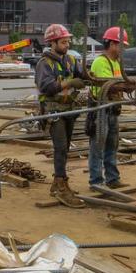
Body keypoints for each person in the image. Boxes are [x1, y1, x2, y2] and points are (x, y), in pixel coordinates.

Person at [35, 23, 87, 208]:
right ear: (53, 43)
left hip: (69, 110)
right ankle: (59, 185)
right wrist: (69, 82)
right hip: (53, 111)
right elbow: (46, 86)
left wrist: (90, 77)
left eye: (68, 41)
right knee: (60, 148)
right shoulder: (44, 64)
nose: (67, 45)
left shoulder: (71, 60)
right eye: (63, 42)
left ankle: (60, 182)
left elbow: (83, 75)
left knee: (65, 147)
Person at [87, 26, 128, 189]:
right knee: (97, 146)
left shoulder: (116, 62)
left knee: (112, 145)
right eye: (121, 45)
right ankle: (96, 181)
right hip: (101, 110)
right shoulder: (100, 62)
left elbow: (119, 82)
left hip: (113, 109)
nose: (123, 49)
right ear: (112, 44)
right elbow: (109, 85)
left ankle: (112, 178)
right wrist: (125, 86)